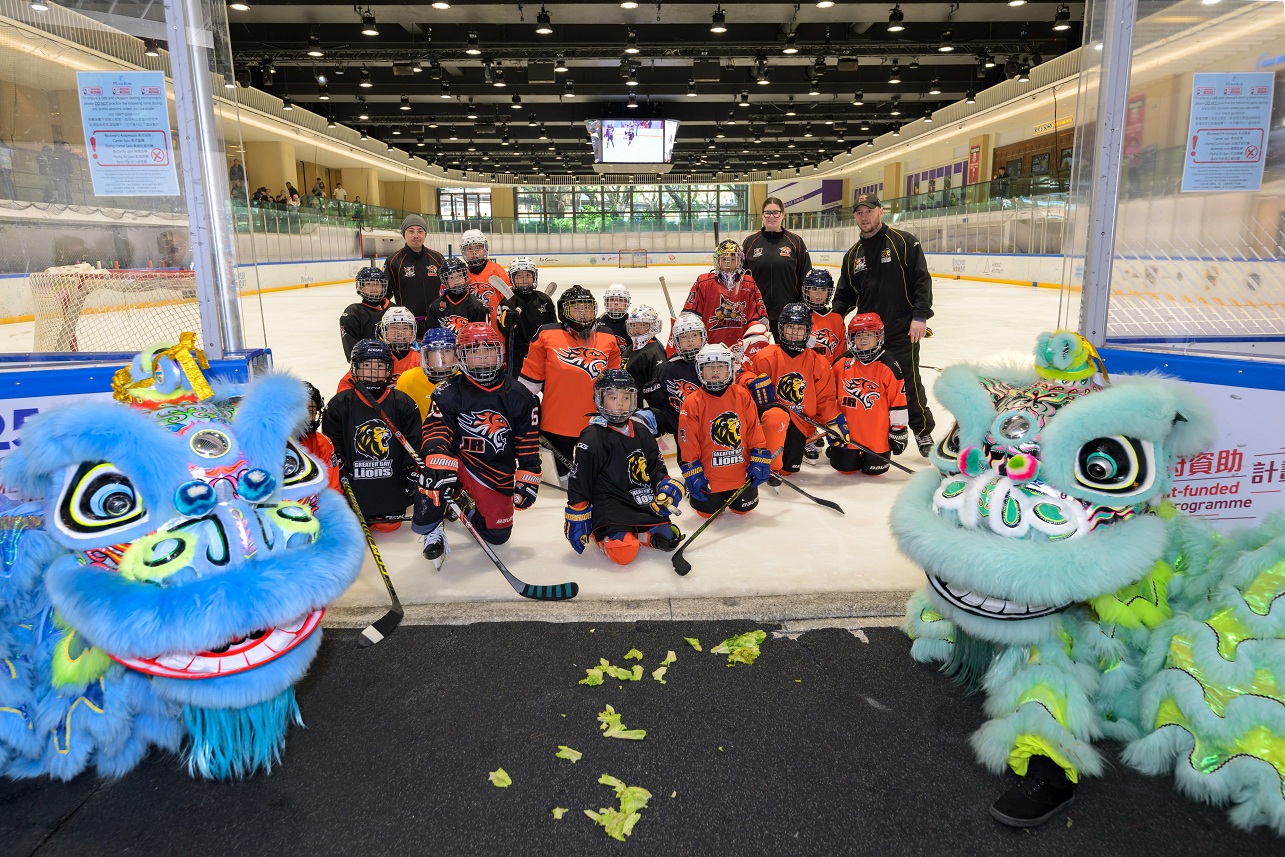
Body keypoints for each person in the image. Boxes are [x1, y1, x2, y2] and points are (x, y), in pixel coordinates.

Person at [413, 323, 542, 568]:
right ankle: (432, 526)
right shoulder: (447, 391)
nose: (482, 357)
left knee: (497, 535)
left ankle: (465, 503)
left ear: (499, 353)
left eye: (488, 350)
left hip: (495, 471)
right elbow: (436, 430)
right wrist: (437, 457)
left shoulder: (520, 395)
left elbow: (528, 442)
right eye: (474, 351)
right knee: (432, 466)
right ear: (461, 356)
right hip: (459, 463)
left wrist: (529, 475)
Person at [831, 192, 936, 457]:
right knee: (870, 386)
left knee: (907, 381)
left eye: (869, 211)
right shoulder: (853, 255)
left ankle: (922, 431)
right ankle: (874, 430)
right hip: (866, 337)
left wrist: (920, 316)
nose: (864, 216)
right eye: (859, 212)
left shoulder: (904, 242)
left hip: (901, 329)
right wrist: (833, 318)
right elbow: (845, 294)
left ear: (881, 211)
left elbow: (921, 280)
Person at [565, 370, 685, 564]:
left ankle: (641, 535)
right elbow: (580, 481)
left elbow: (656, 470)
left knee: (668, 537)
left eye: (625, 397)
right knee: (624, 553)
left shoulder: (642, 431)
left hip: (642, 500)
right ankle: (600, 533)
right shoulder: (592, 437)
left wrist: (665, 488)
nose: (620, 403)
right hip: (610, 506)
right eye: (613, 397)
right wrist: (578, 514)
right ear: (600, 399)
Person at [519, 285, 622, 487]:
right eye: (576, 308)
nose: (583, 313)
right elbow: (529, 386)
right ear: (563, 311)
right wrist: (522, 419)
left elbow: (615, 386)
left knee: (597, 478)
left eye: (587, 308)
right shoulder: (546, 334)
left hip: (596, 425)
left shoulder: (608, 336)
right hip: (556, 424)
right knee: (560, 481)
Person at [322, 339, 422, 531]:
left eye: (379, 366)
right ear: (355, 369)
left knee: (389, 527)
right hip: (355, 492)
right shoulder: (339, 405)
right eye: (366, 365)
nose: (373, 372)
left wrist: (411, 471)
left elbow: (414, 443)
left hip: (392, 493)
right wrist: (340, 470)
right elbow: (332, 444)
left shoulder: (403, 404)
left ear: (389, 369)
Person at [740, 302, 842, 475]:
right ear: (781, 328)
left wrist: (833, 422)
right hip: (770, 420)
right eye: (790, 327)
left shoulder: (818, 363)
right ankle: (767, 463)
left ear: (808, 330)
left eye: (799, 328)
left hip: (801, 423)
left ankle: (790, 453)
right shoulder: (766, 356)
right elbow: (742, 376)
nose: (794, 332)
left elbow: (825, 399)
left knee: (789, 469)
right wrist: (751, 381)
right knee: (775, 418)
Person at [678, 343, 772, 517]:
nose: (715, 371)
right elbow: (688, 442)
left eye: (720, 367)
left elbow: (754, 430)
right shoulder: (692, 402)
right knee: (706, 513)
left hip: (741, 475)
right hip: (709, 478)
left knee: (744, 510)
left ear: (729, 368)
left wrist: (759, 456)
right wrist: (693, 471)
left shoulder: (742, 395)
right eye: (709, 367)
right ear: (700, 370)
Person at [829, 313, 909, 475]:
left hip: (876, 437)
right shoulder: (841, 363)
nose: (863, 340)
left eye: (869, 335)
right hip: (846, 436)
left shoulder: (888, 364)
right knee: (845, 470)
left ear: (879, 337)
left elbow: (898, 401)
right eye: (858, 336)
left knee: (874, 472)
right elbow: (829, 398)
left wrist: (898, 431)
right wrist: (830, 423)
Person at [681, 240, 768, 354]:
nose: (728, 264)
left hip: (740, 350)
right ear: (717, 261)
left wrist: (753, 340)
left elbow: (758, 319)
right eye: (724, 259)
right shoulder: (704, 282)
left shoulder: (748, 283)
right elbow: (690, 315)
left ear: (740, 261)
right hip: (709, 350)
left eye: (733, 260)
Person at [741, 196, 812, 326]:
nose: (771, 216)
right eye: (767, 212)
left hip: (789, 315)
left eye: (776, 212)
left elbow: (806, 277)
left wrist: (801, 306)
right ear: (762, 215)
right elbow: (742, 279)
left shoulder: (795, 242)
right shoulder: (750, 243)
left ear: (782, 215)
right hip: (756, 314)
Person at [641, 312, 705, 443]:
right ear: (676, 341)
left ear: (703, 335)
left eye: (694, 335)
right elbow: (665, 408)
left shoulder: (715, 362)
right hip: (685, 431)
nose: (690, 340)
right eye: (684, 337)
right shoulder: (667, 369)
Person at [384, 214, 445, 337]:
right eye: (411, 231)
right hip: (408, 325)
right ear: (404, 234)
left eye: (420, 231)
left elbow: (447, 288)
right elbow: (385, 294)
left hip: (437, 321)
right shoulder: (394, 261)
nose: (416, 235)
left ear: (425, 234)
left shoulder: (437, 258)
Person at [496, 256, 556, 375]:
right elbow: (504, 330)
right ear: (512, 278)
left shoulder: (544, 300)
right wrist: (509, 322)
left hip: (543, 353)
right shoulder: (506, 303)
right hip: (518, 358)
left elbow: (554, 329)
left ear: (534, 276)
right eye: (519, 276)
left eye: (528, 275)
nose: (524, 279)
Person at [396, 327, 458, 421]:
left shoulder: (463, 381)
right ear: (426, 356)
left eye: (447, 350)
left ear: (455, 354)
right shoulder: (407, 379)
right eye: (434, 351)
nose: (441, 356)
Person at [296, 381, 342, 493]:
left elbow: (333, 488)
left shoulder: (323, 443)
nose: (306, 416)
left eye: (311, 411)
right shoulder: (271, 442)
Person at [425, 257, 490, 333]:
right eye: (451, 277)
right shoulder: (435, 307)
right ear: (445, 281)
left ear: (465, 276)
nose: (457, 281)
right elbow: (431, 334)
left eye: (459, 276)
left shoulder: (478, 306)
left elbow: (483, 335)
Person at [340, 266, 392, 360]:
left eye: (377, 284)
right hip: (367, 364)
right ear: (361, 287)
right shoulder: (353, 314)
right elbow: (352, 351)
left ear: (383, 287)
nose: (373, 288)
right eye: (368, 284)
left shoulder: (394, 310)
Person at [460, 229, 510, 319]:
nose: (474, 252)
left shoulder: (496, 270)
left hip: (496, 324)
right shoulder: (462, 275)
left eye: (478, 248)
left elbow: (509, 298)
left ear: (485, 249)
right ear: (464, 252)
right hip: (472, 325)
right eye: (469, 248)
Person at [800, 269, 846, 363]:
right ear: (807, 291)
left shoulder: (837, 319)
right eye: (814, 289)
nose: (819, 294)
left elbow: (841, 352)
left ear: (829, 292)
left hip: (830, 370)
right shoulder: (799, 316)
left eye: (823, 290)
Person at [624, 304, 666, 400]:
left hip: (643, 404)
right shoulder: (629, 348)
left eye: (642, 325)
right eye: (633, 325)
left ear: (653, 326)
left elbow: (657, 387)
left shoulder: (653, 352)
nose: (637, 329)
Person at [596, 283, 632, 357]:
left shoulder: (633, 324)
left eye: (620, 300)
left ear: (627, 303)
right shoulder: (597, 323)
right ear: (607, 302)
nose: (616, 303)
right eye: (612, 299)